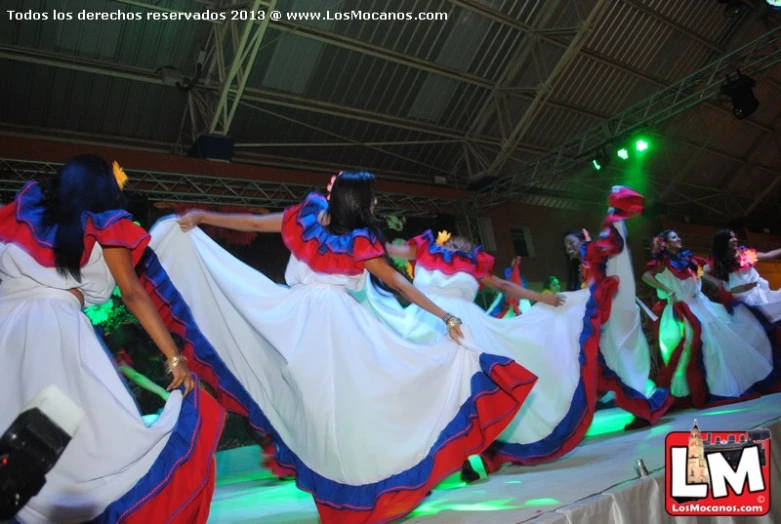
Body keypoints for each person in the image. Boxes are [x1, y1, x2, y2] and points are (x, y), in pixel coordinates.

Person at [153, 170, 537, 524]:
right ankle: (361, 493)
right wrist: (446, 318)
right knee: (351, 411)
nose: (375, 205)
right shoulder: (353, 239)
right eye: (371, 199)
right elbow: (400, 284)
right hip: (332, 329)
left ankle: (347, 500)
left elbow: (255, 222)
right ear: (357, 201)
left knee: (326, 419)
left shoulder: (311, 222)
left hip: (298, 324)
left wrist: (205, 216)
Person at [0, 155, 224, 523]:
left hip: (5, 331)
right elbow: (133, 293)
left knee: (19, 456)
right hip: (52, 339)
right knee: (90, 453)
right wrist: (175, 359)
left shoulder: (25, 215)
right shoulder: (103, 225)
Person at [563, 193, 672, 429]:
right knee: (617, 358)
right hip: (605, 318)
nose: (569, 249)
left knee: (621, 355)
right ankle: (643, 402)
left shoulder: (593, 252)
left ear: (582, 238)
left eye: (572, 242)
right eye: (566, 247)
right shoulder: (585, 262)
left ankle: (643, 406)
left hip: (613, 312)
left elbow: (613, 254)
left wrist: (613, 217)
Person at [642, 230, 776, 408]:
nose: (679, 238)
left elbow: (700, 273)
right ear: (665, 244)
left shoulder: (688, 259)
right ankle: (706, 389)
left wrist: (716, 282)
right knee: (703, 347)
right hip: (683, 309)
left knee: (720, 345)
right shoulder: (663, 263)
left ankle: (722, 385)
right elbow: (646, 276)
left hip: (701, 305)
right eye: (674, 237)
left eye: (678, 236)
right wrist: (666, 290)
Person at [706, 229, 781, 322]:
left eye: (734, 237)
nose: (734, 239)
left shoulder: (746, 254)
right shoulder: (716, 263)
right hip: (742, 301)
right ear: (722, 241)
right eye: (730, 238)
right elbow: (704, 273)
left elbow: (768, 255)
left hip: (759, 294)